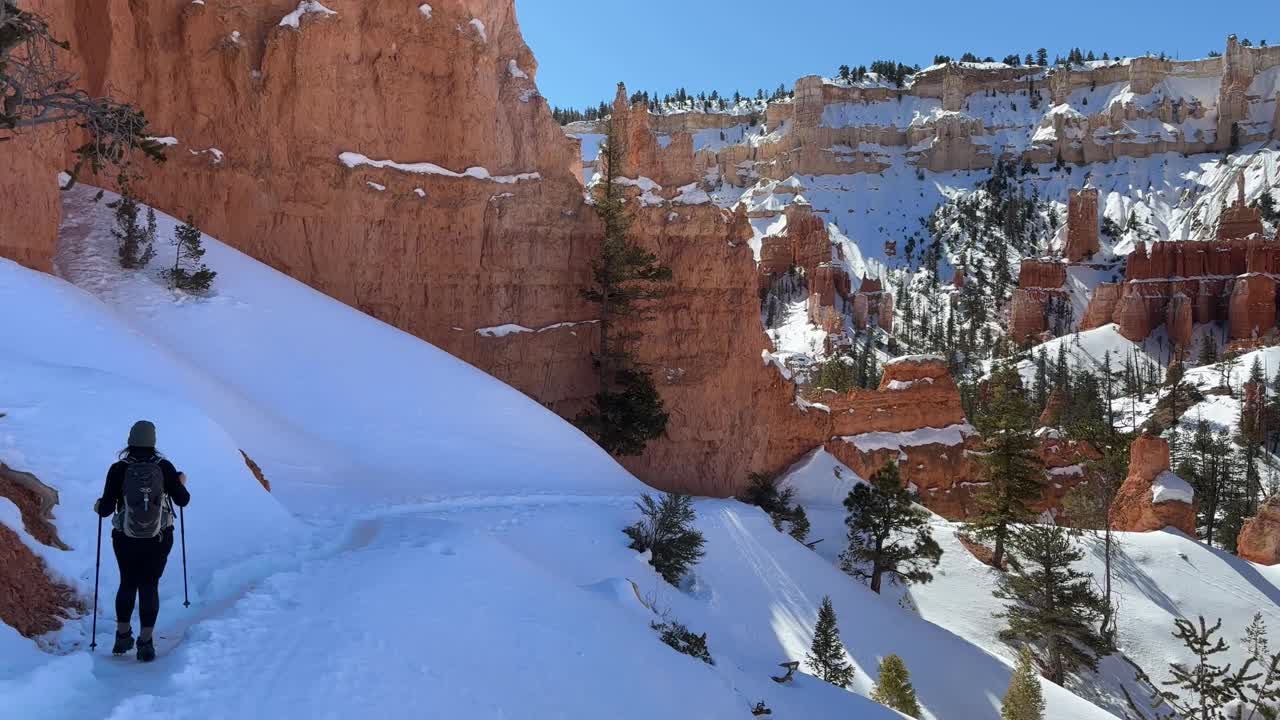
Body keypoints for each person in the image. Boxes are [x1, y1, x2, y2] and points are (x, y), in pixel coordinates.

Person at [94, 420, 190, 662]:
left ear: (130, 440)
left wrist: (99, 504)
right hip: (159, 537)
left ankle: (122, 635)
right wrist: (179, 483)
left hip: (125, 537)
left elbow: (105, 509)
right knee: (149, 584)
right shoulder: (164, 466)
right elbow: (183, 500)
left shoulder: (118, 469)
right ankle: (146, 642)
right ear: (153, 441)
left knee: (127, 582)